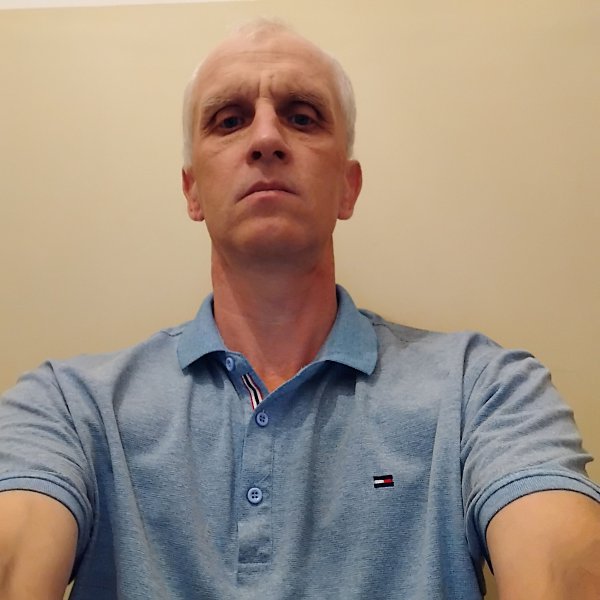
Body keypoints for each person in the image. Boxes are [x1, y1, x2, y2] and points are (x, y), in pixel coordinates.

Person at [0, 18, 599, 600]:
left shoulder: (484, 390)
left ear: (347, 187)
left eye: (302, 117)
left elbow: (564, 568)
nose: (266, 139)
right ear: (192, 190)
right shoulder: (70, 408)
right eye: (230, 120)